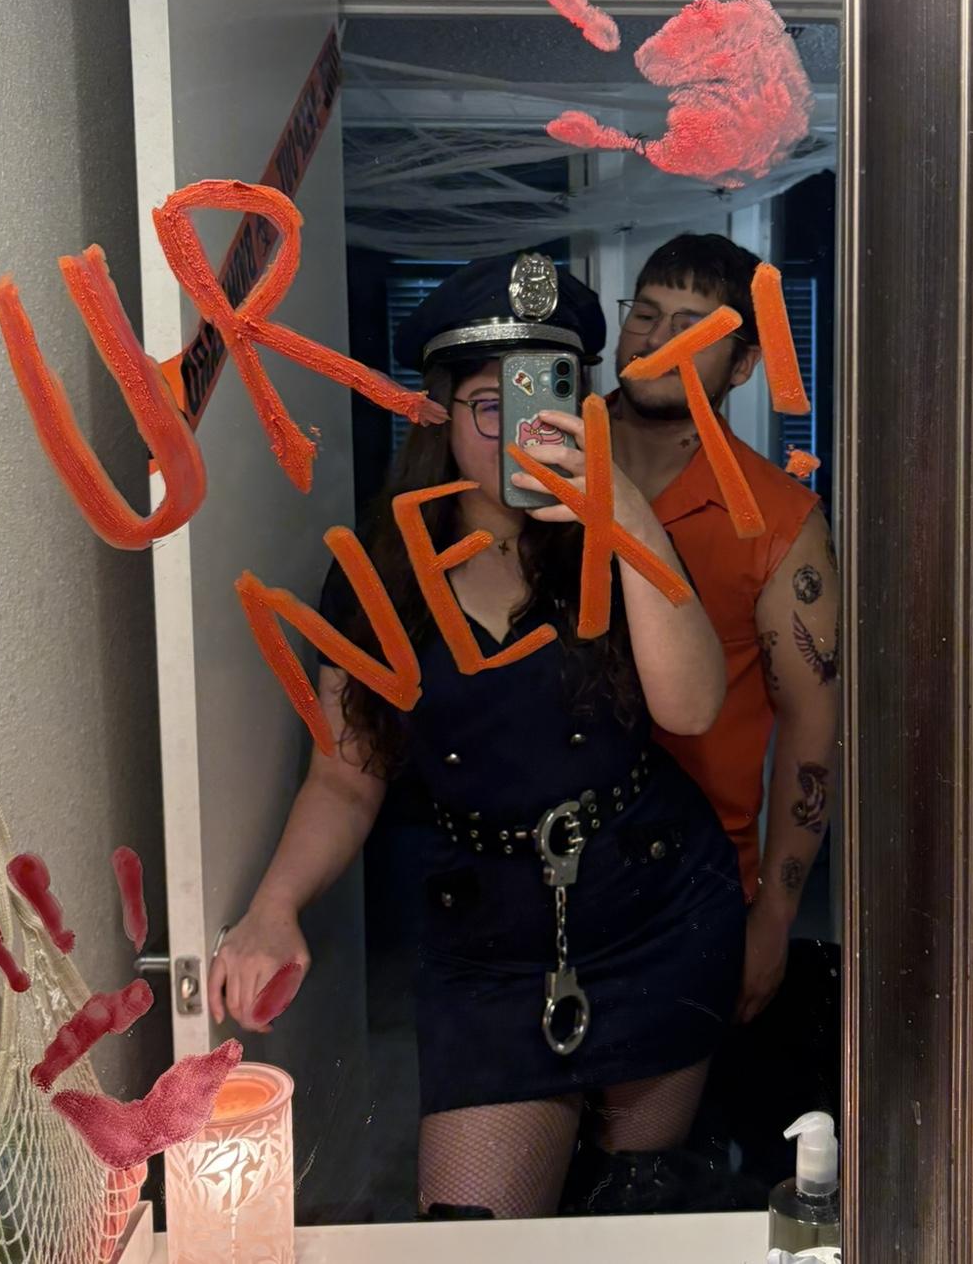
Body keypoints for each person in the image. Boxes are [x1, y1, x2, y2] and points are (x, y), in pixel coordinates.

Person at [206, 253, 746, 1221]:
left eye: (546, 400)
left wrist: (622, 511)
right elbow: (346, 776)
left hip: (658, 909)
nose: (519, 434)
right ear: (437, 413)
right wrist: (273, 906)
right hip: (487, 947)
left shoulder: (618, 539)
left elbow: (693, 708)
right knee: (472, 1231)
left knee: (635, 1209)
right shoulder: (378, 572)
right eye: (491, 406)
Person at [608, 233, 841, 1025]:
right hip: (531, 875)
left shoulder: (778, 520)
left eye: (695, 328)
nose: (659, 341)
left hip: (692, 878)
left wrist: (775, 914)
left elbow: (811, 725)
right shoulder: (539, 466)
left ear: (742, 366)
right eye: (645, 315)